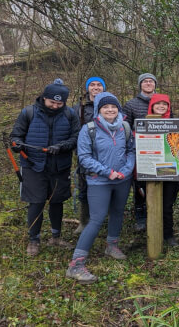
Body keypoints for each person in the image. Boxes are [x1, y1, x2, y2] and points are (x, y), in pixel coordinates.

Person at [66, 92, 135, 284]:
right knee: (96, 219)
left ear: (118, 109)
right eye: (106, 107)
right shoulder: (89, 129)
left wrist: (126, 170)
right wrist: (107, 172)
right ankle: (76, 265)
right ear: (99, 110)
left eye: (113, 107)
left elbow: (131, 151)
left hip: (122, 179)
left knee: (118, 212)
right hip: (99, 181)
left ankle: (112, 245)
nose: (110, 110)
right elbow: (84, 158)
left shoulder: (125, 127)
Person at [10, 78, 81, 257]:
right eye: (52, 102)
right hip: (34, 166)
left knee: (57, 201)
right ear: (43, 98)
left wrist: (62, 146)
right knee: (36, 202)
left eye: (59, 103)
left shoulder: (70, 114)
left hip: (59, 167)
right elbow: (16, 136)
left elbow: (76, 137)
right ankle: (34, 239)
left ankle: (56, 237)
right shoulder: (28, 113)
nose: (56, 106)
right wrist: (17, 144)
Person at [123, 72, 158, 231]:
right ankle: (140, 216)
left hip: (159, 151)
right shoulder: (131, 104)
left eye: (151, 81)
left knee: (158, 183)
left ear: (155, 85)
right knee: (139, 185)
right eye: (145, 81)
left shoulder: (162, 101)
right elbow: (125, 128)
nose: (148, 83)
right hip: (139, 152)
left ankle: (157, 213)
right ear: (140, 85)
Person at [72, 76, 106, 234]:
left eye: (99, 85)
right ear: (87, 88)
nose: (96, 87)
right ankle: (84, 220)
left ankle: (108, 217)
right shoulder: (78, 107)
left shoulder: (110, 104)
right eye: (92, 85)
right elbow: (74, 131)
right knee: (84, 187)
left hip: (107, 152)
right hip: (85, 153)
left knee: (108, 184)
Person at [146, 94, 179, 247]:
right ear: (152, 106)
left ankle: (168, 234)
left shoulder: (175, 124)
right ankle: (152, 234)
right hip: (150, 169)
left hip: (169, 170)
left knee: (167, 205)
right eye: (158, 104)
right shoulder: (144, 123)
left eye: (164, 104)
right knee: (152, 204)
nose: (161, 107)